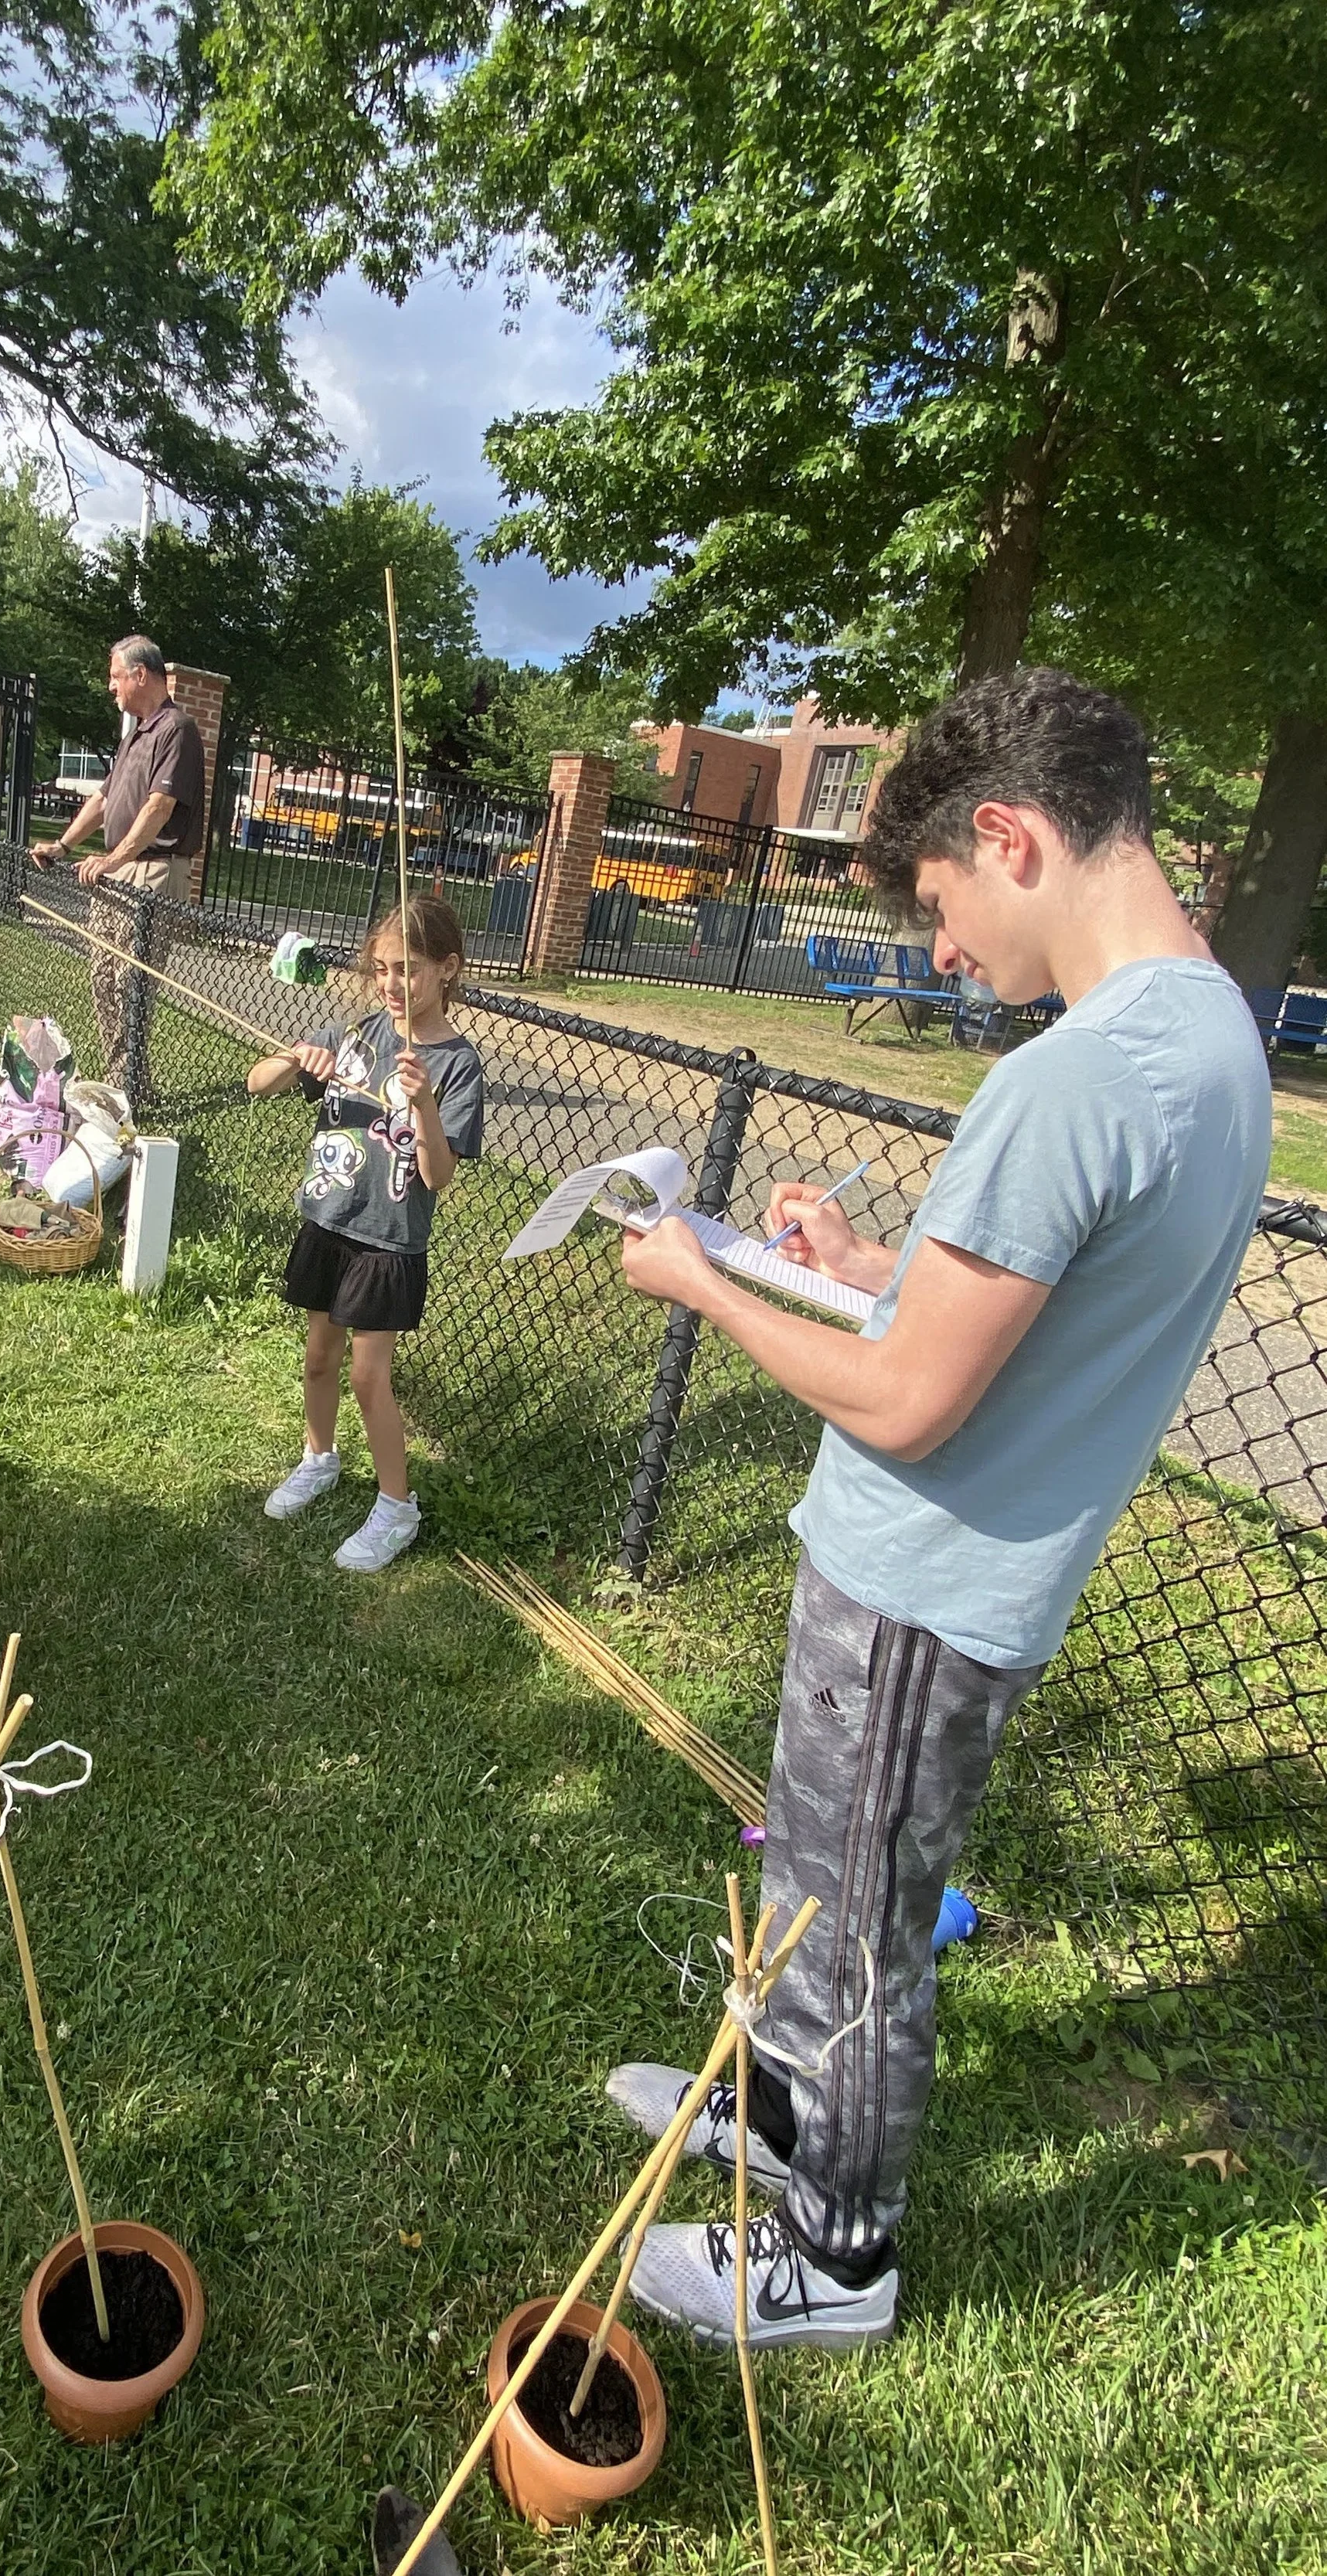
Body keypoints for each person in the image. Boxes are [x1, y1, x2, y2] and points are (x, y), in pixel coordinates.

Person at [610, 667, 1270, 2347]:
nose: (941, 951)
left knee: (850, 1933)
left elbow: (910, 1396)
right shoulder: (1212, 1037)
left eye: (936, 904)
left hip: (923, 1585)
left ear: (1008, 836)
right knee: (818, 1899)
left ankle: (830, 2261)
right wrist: (861, 1268)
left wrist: (704, 1282)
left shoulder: (1069, 1079)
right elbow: (1024, 1306)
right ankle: (773, 2119)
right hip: (952, 1583)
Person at [247, 894, 485, 1572]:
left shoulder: (457, 1065)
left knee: (366, 1374)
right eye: (381, 968)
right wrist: (296, 1059)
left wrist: (426, 1104)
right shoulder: (353, 1034)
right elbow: (256, 1082)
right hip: (328, 1223)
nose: (390, 984)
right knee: (319, 1356)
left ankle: (395, 1507)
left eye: (407, 969)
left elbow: (438, 1176)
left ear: (447, 970)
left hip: (388, 1241)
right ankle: (318, 1458)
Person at [34, 635, 207, 1095]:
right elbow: (104, 798)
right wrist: (65, 846)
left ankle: (130, 1084)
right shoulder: (135, 733)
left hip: (151, 869)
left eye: (115, 677)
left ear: (140, 675)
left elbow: (159, 808)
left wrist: (111, 860)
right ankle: (120, 1079)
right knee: (103, 977)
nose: (111, 688)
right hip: (117, 870)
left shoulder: (178, 730)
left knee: (132, 983)